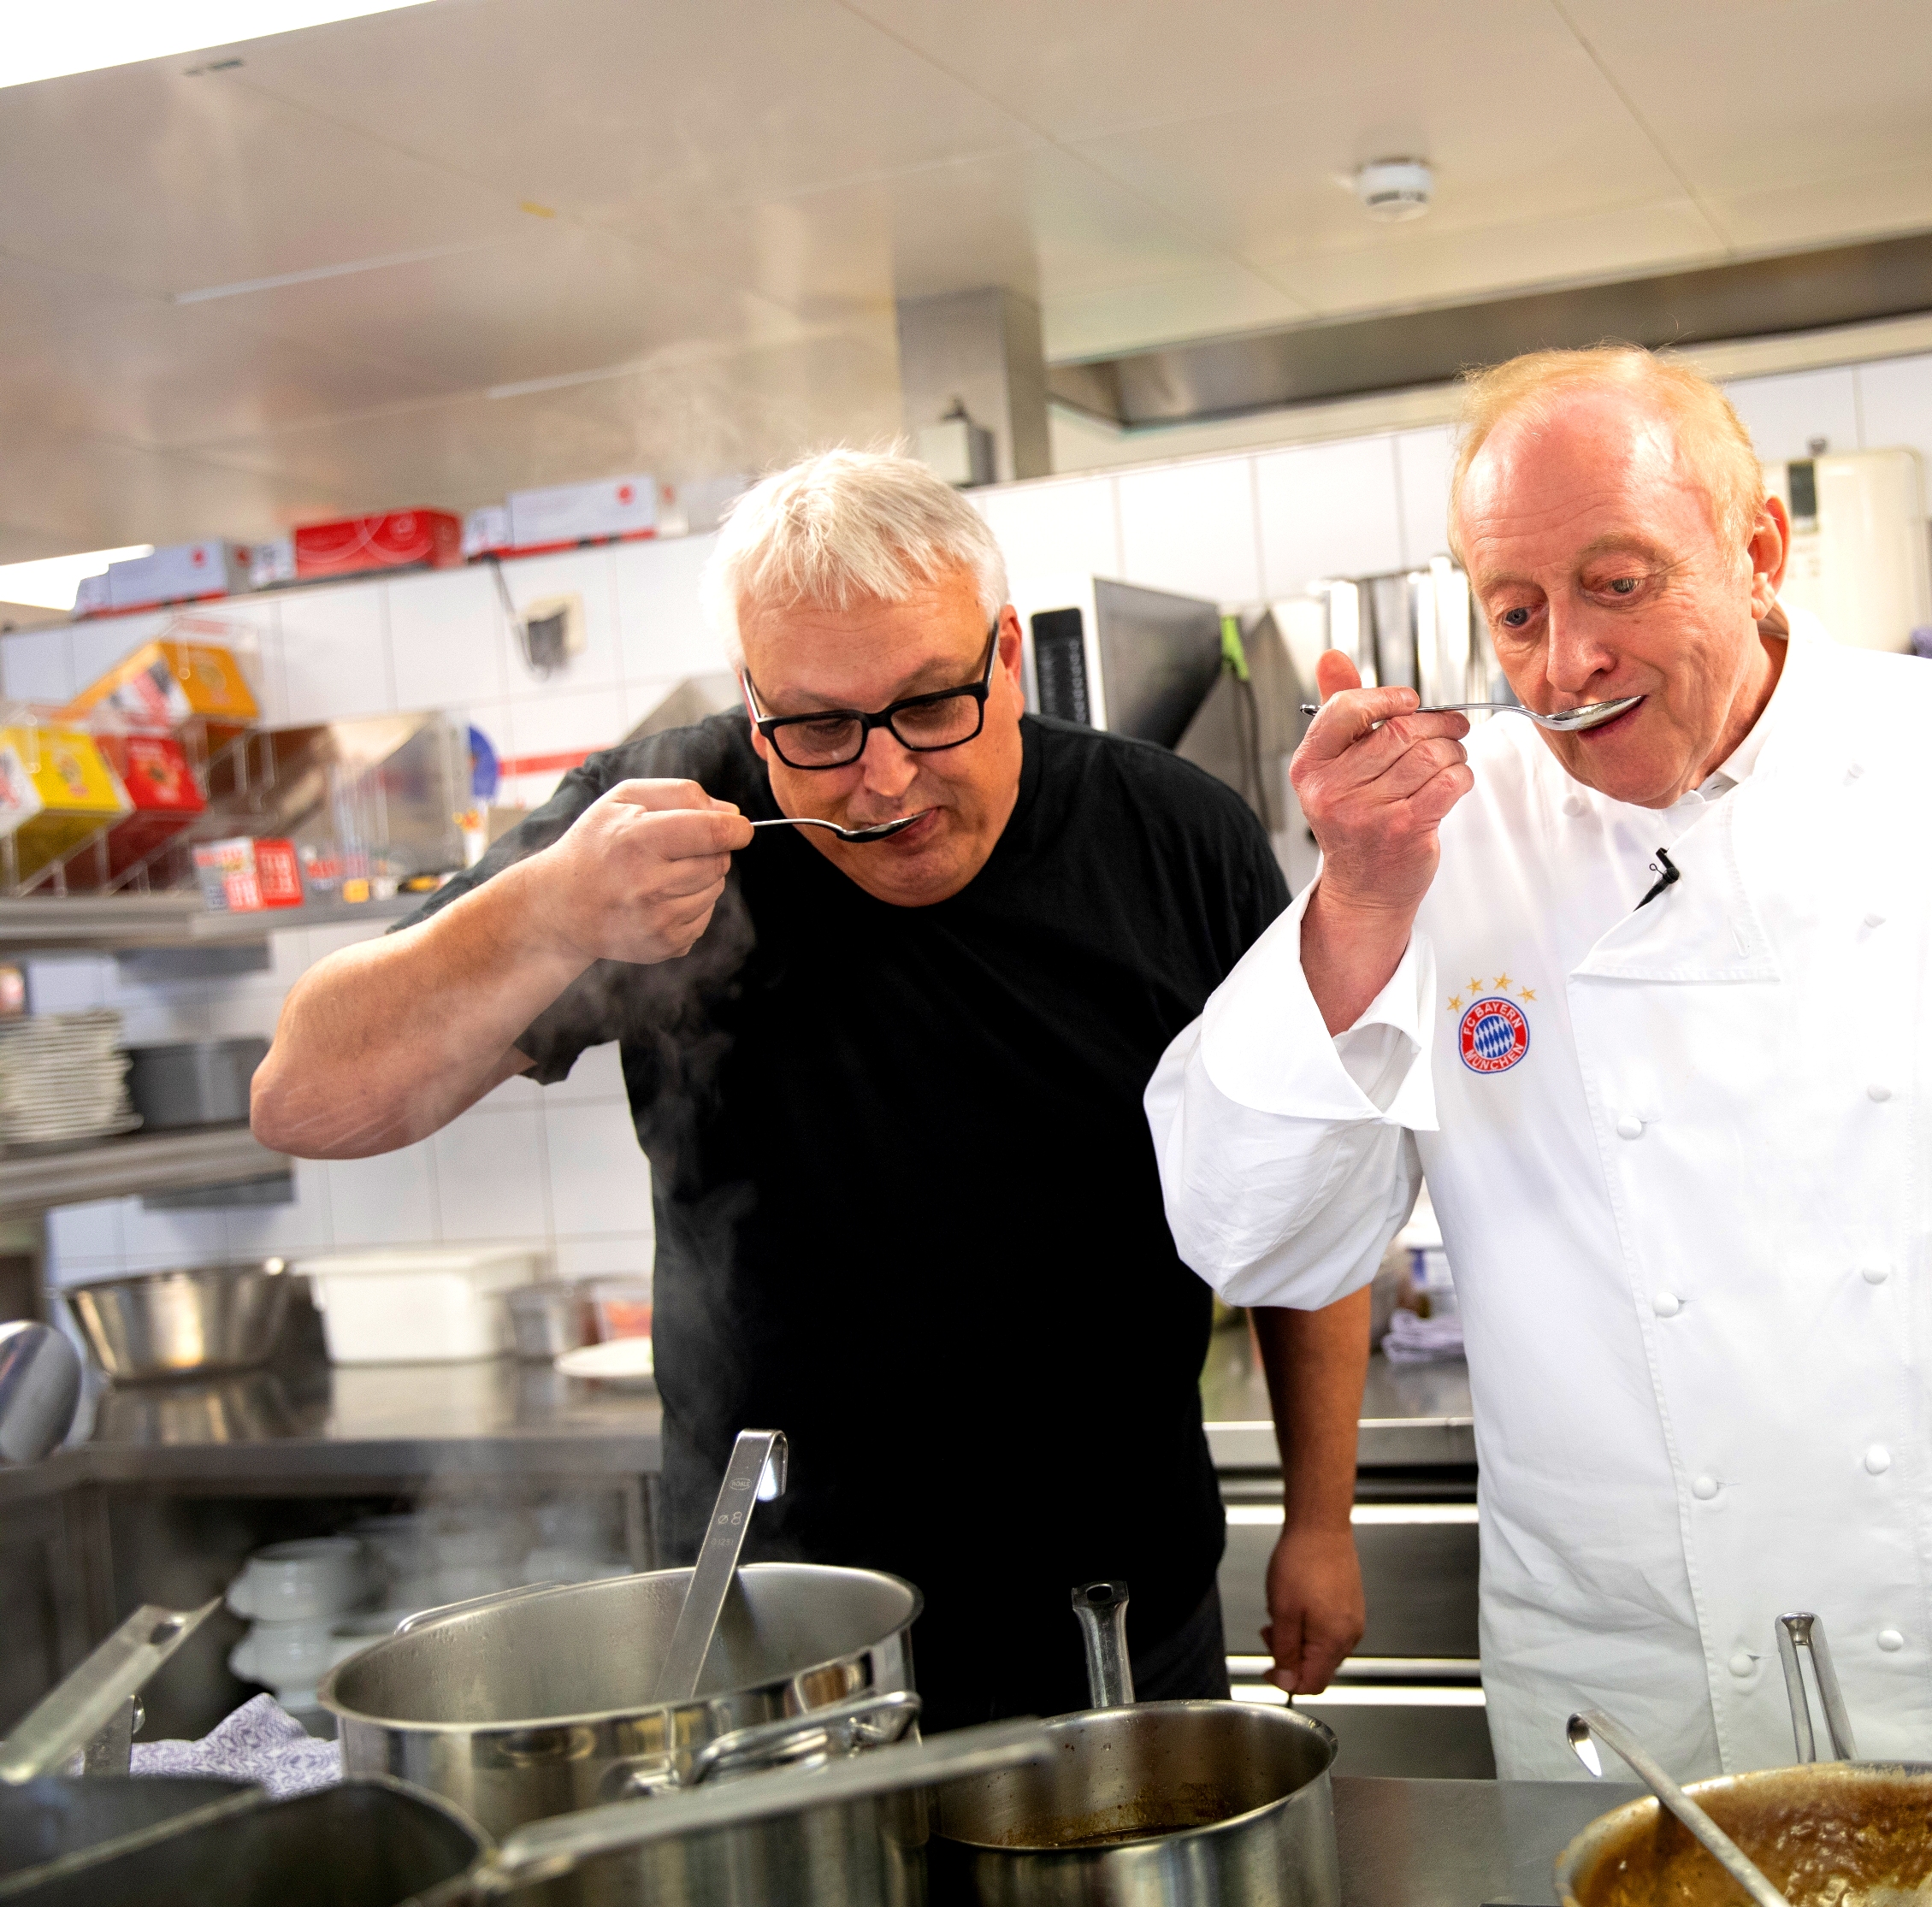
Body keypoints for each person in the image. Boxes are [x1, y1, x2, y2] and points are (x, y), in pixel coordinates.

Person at [1146, 349, 1932, 1791]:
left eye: (1617, 584)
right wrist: (1358, 902)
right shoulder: (1438, 845)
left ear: (1757, 550)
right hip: (1638, 1689)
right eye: (1517, 612)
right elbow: (1249, 1233)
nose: (1565, 663)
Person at [252, 450, 1370, 1723]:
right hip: (776, 1635)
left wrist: (1320, 1519)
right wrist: (545, 910)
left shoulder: (1173, 839)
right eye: (820, 728)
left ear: (1007, 658)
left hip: (1114, 1617)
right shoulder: (646, 834)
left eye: (930, 705)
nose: (882, 779)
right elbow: (306, 1101)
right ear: (752, 701)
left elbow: (1307, 1194)